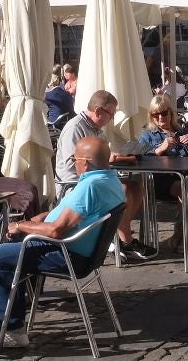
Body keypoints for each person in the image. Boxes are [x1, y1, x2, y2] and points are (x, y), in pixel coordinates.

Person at [0, 135, 126, 349]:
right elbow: (73, 212)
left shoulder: (91, 187)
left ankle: (11, 329)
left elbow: (57, 230)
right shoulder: (111, 181)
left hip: (66, 254)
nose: (73, 164)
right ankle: (3, 319)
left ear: (85, 163)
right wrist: (41, 218)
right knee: (13, 249)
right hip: (85, 254)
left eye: (74, 160)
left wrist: (21, 226)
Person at [54, 91, 152, 260]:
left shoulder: (97, 129)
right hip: (74, 184)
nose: (112, 119)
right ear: (98, 111)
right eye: (111, 114)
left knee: (136, 187)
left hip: (95, 179)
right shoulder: (75, 128)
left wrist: (114, 157)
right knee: (123, 190)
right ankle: (126, 241)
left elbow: (100, 157)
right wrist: (106, 159)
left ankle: (119, 237)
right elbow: (75, 164)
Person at [137, 92, 188, 225]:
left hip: (187, 176)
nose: (160, 117)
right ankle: (184, 230)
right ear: (151, 116)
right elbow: (139, 159)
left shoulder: (182, 131)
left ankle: (183, 229)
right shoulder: (147, 135)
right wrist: (160, 149)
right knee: (184, 189)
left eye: (164, 113)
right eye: (155, 114)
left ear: (170, 113)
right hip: (160, 179)